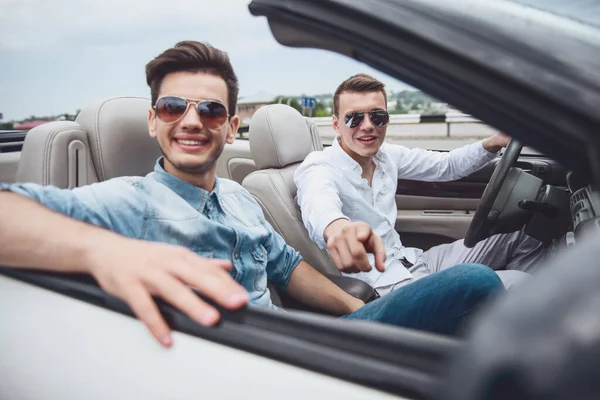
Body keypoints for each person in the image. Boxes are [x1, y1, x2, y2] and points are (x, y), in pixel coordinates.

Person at [0, 41, 504, 348]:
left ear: (231, 125)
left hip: (304, 342)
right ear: (154, 121)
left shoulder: (240, 197)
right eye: (174, 107)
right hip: (253, 360)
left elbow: (289, 269)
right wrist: (103, 249)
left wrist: (363, 318)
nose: (193, 120)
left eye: (212, 111)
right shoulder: (129, 200)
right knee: (474, 284)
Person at [294, 73, 545, 296]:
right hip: (388, 289)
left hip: (415, 262)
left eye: (377, 116)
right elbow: (320, 204)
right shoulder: (319, 167)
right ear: (336, 124)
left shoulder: (386, 156)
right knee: (518, 283)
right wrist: (337, 228)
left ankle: (503, 324)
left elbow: (445, 166)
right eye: (354, 118)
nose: (368, 125)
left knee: (525, 236)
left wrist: (494, 142)